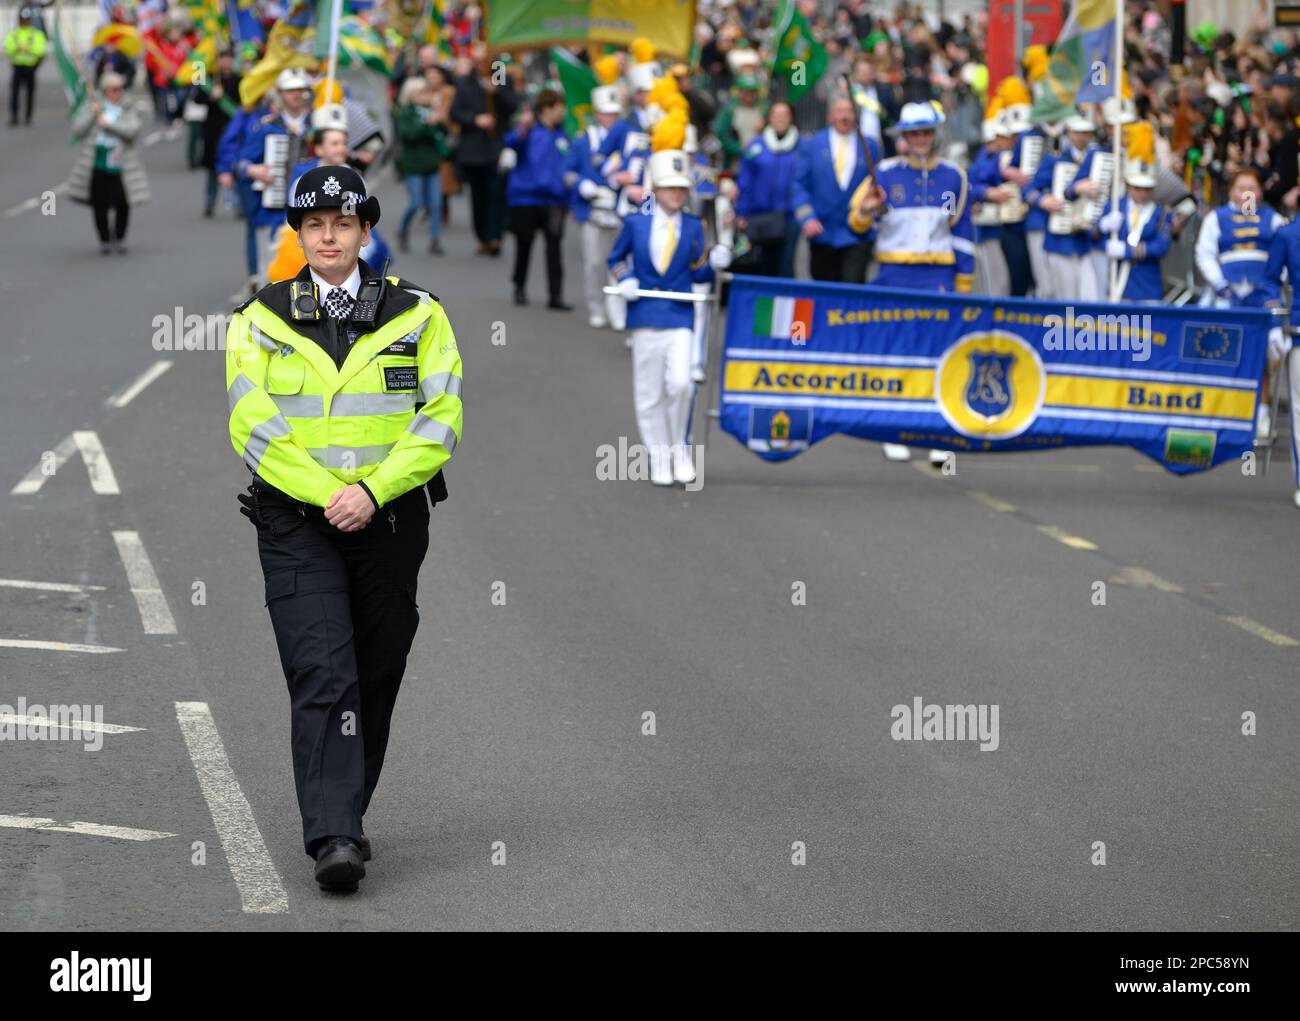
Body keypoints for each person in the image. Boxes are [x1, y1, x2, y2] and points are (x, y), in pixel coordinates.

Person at [224, 164, 463, 891]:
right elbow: (253, 427)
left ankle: (344, 807)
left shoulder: (420, 314)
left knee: (375, 670)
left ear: (364, 230)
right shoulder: (258, 318)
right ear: (298, 234)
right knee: (323, 670)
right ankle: (335, 835)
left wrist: (373, 490)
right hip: (297, 521)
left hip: (390, 521)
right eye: (315, 225)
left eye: (344, 223)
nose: (329, 236)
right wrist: (333, 493)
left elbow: (440, 417)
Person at [849, 99, 972, 466]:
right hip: (893, 275)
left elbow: (962, 234)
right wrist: (867, 209)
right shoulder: (882, 173)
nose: (920, 138)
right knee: (896, 353)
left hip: (938, 278)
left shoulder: (954, 176)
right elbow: (855, 224)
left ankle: (937, 432)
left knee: (939, 355)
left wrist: (963, 286)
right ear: (903, 136)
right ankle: (894, 428)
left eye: (925, 132)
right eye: (913, 133)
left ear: (933, 135)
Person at [609, 144, 731, 486]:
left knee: (681, 383)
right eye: (670, 187)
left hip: (680, 315)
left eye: (682, 188)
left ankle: (680, 447)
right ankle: (658, 455)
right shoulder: (635, 223)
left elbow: (699, 273)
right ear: (656, 190)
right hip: (644, 314)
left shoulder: (695, 227)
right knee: (649, 393)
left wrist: (715, 262)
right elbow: (615, 259)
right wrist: (625, 279)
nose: (677, 193)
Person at [234, 68, 315, 293]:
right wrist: (254, 170)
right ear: (280, 94)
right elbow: (241, 162)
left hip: (310, 204)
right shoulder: (266, 126)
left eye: (300, 90)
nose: (296, 95)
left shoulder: (317, 125)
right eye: (290, 91)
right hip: (275, 204)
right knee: (271, 262)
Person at [792, 95, 883, 283]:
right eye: (840, 111)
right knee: (825, 293)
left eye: (849, 111)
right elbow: (799, 185)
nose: (845, 116)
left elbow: (880, 184)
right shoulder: (813, 145)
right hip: (823, 234)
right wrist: (807, 218)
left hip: (858, 235)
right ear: (830, 116)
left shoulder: (870, 147)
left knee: (852, 292)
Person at [502, 89, 571, 309]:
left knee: (554, 248)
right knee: (524, 245)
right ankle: (519, 287)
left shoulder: (562, 135)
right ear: (547, 109)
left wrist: (569, 198)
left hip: (553, 201)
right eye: (560, 108)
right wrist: (523, 125)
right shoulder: (528, 131)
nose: (563, 112)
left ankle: (555, 295)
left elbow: (569, 165)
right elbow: (511, 143)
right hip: (525, 198)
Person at [65, 73, 149, 254]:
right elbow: (77, 129)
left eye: (120, 89)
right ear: (105, 91)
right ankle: (104, 239)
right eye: (114, 89)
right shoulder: (94, 106)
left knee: (123, 202)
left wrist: (110, 126)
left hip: (121, 164)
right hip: (98, 162)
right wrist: (92, 115)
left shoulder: (127, 107)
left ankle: (119, 237)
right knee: (99, 203)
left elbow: (133, 130)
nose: (118, 93)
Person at [566, 83, 625, 329]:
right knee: (593, 262)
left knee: (619, 262)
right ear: (597, 113)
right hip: (592, 210)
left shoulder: (628, 138)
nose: (610, 118)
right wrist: (581, 184)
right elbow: (566, 170)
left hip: (619, 209)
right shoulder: (584, 140)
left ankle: (618, 310)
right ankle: (596, 306)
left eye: (614, 113)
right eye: (606, 113)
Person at [450, 48, 517, 256]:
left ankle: (496, 236)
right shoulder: (464, 82)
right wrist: (475, 119)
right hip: (473, 151)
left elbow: (512, 106)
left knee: (496, 194)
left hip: (495, 147)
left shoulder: (500, 76)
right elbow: (455, 112)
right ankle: (483, 237)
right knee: (478, 197)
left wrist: (496, 92)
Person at [734, 100, 800, 278]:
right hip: (760, 216)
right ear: (769, 118)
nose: (780, 119)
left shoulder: (801, 147)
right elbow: (745, 181)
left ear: (791, 118)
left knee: (785, 266)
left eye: (784, 115)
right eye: (776, 115)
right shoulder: (755, 146)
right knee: (762, 266)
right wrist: (741, 212)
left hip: (789, 217)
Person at [1092, 160, 1173, 304]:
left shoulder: (1162, 213)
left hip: (1148, 286)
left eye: (1147, 189)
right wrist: (1102, 227)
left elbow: (1161, 246)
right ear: (1128, 186)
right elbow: (1092, 238)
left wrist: (1126, 251)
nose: (1142, 193)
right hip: (1117, 284)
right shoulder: (1114, 206)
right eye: (1137, 188)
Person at [393, 76, 452, 255]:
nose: (425, 95)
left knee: (436, 204)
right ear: (411, 95)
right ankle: (403, 230)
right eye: (421, 92)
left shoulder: (429, 110)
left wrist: (439, 118)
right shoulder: (404, 112)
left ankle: (435, 240)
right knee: (416, 203)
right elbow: (408, 135)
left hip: (432, 163)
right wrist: (427, 123)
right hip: (414, 164)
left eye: (426, 91)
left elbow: (444, 132)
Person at [193, 47, 239, 218]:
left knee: (234, 167)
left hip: (233, 128)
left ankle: (237, 204)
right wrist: (211, 96)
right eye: (222, 58)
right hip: (213, 129)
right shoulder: (210, 79)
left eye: (228, 58)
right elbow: (197, 98)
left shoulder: (239, 79)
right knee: (212, 169)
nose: (225, 61)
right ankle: (209, 202)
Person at [5, 5, 46, 127]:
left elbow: (40, 49)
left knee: (30, 93)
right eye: (22, 20)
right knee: (14, 93)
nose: (24, 22)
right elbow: (9, 47)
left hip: (30, 68)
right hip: (17, 66)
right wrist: (17, 48)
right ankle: (14, 117)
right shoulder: (14, 34)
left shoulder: (36, 34)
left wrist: (26, 48)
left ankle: (28, 117)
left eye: (26, 20)